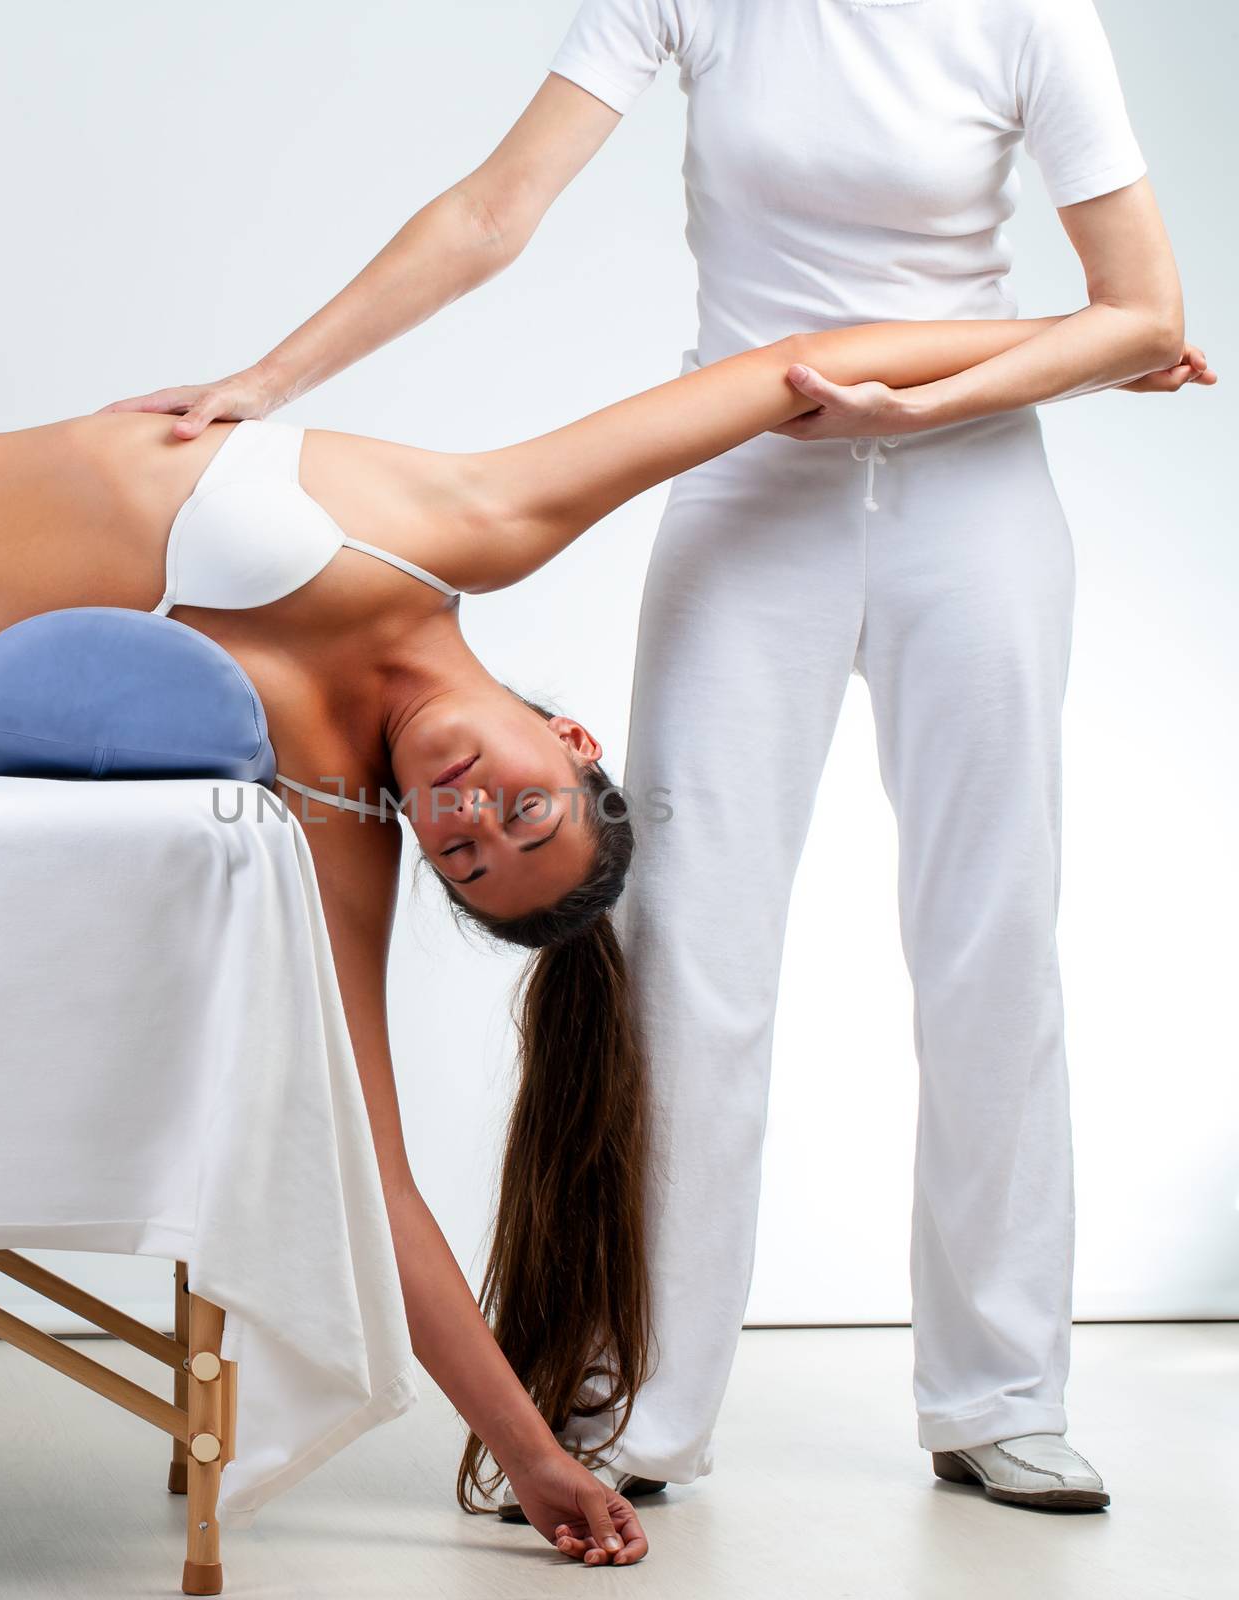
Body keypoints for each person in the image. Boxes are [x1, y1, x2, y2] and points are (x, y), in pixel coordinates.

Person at [0, 313, 1098, 1564]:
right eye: (529, 810)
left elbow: (374, 1177)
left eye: (469, 857)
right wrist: (1086, 344)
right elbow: (791, 366)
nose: (475, 817)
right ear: (572, 735)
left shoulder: (333, 824)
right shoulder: (474, 520)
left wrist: (531, 1455)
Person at [104, 0, 1213, 1518]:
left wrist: (929, 399)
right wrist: (271, 381)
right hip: (747, 500)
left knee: (991, 941)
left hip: (976, 512)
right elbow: (496, 210)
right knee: (686, 949)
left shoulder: (1030, 15)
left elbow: (1143, 311)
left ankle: (1002, 1394)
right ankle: (645, 1399)